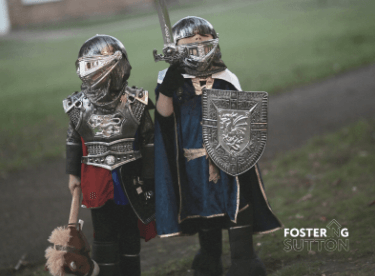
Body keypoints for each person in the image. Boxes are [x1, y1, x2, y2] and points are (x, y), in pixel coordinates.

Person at [154, 16, 282, 276]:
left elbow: (243, 122)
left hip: (228, 159)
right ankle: (209, 259)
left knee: (238, 202)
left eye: (204, 43)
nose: (199, 49)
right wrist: (167, 90)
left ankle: (245, 262)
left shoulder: (226, 78)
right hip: (192, 160)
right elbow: (163, 118)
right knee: (203, 208)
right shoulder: (171, 80)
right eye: (191, 44)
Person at [64, 34, 155, 276]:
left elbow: (149, 140)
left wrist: (150, 174)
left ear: (116, 68)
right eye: (87, 68)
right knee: (103, 231)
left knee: (129, 228)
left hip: (130, 177)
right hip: (96, 177)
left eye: (95, 68)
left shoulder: (136, 101)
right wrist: (73, 174)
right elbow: (73, 140)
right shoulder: (78, 106)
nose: (89, 75)